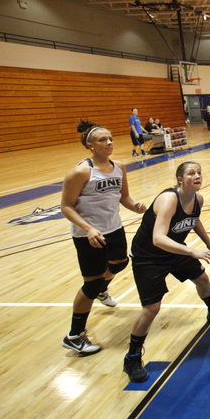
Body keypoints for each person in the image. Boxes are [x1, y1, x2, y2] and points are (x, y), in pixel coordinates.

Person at [123, 161, 210, 383]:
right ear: (179, 179)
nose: (197, 176)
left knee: (202, 279)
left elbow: (194, 221)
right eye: (191, 173)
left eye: (199, 172)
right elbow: (158, 238)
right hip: (148, 256)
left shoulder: (197, 199)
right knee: (151, 308)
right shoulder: (168, 199)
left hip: (174, 249)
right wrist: (192, 251)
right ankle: (132, 357)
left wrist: (208, 243)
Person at [60, 121, 147, 355]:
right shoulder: (81, 172)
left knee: (120, 263)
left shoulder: (119, 167)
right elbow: (66, 207)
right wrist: (88, 228)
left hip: (113, 228)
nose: (109, 142)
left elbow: (123, 197)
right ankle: (74, 335)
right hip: (88, 234)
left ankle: (102, 289)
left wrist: (135, 206)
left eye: (110, 138)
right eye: (102, 140)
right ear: (90, 145)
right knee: (91, 283)